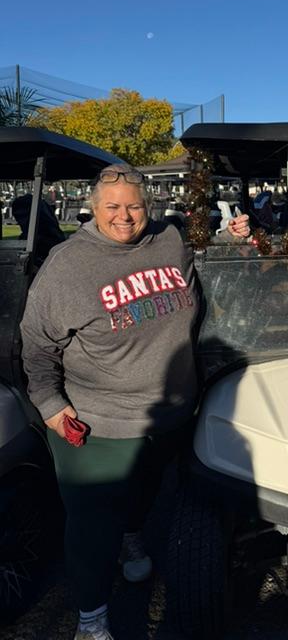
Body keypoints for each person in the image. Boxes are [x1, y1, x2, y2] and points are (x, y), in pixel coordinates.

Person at [20, 163, 250, 640]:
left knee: (145, 490)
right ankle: (91, 620)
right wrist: (50, 404)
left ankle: (131, 535)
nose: (124, 216)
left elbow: (203, 267)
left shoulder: (168, 239)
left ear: (150, 207)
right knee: (91, 526)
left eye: (134, 206)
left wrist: (230, 239)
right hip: (98, 422)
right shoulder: (67, 265)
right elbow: (37, 343)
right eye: (112, 207)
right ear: (92, 208)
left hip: (169, 414)